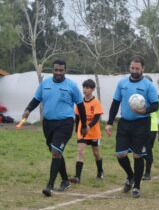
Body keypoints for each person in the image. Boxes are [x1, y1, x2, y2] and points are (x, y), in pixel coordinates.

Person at [22, 59, 88, 196]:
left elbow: (81, 106)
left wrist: (84, 125)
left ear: (65, 70)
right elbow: (36, 99)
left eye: (61, 70)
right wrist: (28, 110)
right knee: (55, 151)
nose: (58, 72)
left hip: (65, 123)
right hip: (48, 123)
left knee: (56, 151)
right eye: (56, 70)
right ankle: (65, 180)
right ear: (52, 70)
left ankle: (49, 185)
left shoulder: (71, 85)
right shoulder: (44, 84)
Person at [105, 56, 159, 198]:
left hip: (142, 124)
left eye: (137, 68)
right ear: (130, 68)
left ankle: (137, 186)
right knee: (120, 154)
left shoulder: (148, 85)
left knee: (137, 155)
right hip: (124, 123)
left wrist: (145, 110)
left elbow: (155, 105)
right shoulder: (122, 83)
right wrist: (110, 123)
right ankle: (131, 176)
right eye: (132, 68)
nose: (134, 71)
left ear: (143, 69)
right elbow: (115, 103)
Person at [70, 79, 104, 184]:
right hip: (82, 132)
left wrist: (88, 126)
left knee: (96, 153)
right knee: (80, 152)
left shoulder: (96, 102)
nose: (85, 90)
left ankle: (100, 171)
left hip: (94, 132)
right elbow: (77, 116)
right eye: (84, 87)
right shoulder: (80, 102)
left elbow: (96, 117)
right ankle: (77, 177)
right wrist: (77, 129)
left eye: (87, 88)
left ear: (93, 89)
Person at [143, 75, 159, 181]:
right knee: (139, 150)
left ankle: (147, 173)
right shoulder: (138, 96)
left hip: (151, 127)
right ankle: (143, 167)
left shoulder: (156, 96)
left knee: (148, 149)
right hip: (139, 126)